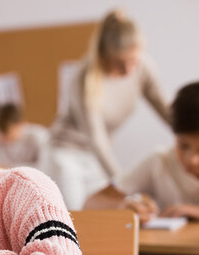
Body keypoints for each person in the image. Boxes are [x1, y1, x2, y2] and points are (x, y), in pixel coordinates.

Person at [42, 10, 170, 210]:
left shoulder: (143, 67)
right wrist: (125, 185)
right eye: (120, 63)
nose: (128, 70)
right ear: (104, 55)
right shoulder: (85, 77)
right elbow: (97, 140)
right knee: (76, 220)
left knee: (106, 217)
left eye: (133, 61)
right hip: (65, 156)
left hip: (93, 157)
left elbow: (167, 111)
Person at [85, 81, 199, 222]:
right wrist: (121, 206)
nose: (192, 159)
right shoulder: (159, 162)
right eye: (184, 146)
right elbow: (91, 203)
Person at [0, 103, 48, 168]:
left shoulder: (39, 136)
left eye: (8, 134)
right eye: (1, 134)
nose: (5, 138)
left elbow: (45, 166)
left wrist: (9, 167)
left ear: (20, 124)